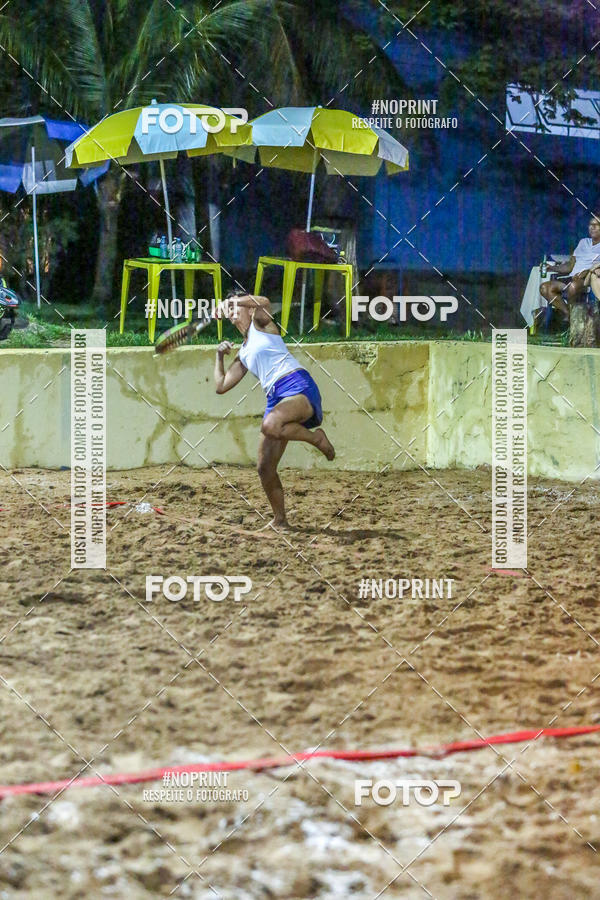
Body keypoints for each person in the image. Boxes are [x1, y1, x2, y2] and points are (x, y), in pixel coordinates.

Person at [213, 292, 335, 528]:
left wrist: (232, 301)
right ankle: (280, 520)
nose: (232, 313)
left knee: (270, 424)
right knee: (264, 467)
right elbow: (221, 386)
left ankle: (316, 438)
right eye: (230, 311)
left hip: (296, 385)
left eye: (237, 307)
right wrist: (219, 356)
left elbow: (265, 301)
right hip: (275, 398)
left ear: (248, 309)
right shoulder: (244, 353)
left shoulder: (262, 323)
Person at [540, 216, 600, 320]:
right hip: (572, 277)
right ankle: (569, 314)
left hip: (589, 279)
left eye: (596, 225)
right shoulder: (583, 242)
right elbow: (569, 266)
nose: (592, 227)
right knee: (545, 288)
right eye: (591, 224)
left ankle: (572, 319)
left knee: (573, 286)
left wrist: (587, 272)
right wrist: (552, 268)